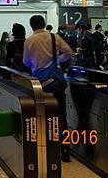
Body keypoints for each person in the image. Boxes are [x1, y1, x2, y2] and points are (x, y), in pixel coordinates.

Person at [23, 15, 73, 162]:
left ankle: (45, 146)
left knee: (42, 114)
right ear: (44, 24)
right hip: (56, 81)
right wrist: (56, 60)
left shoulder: (29, 41)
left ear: (31, 25)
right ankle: (65, 150)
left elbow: (26, 62)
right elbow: (69, 52)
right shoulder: (53, 37)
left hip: (40, 83)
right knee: (61, 115)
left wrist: (36, 64)